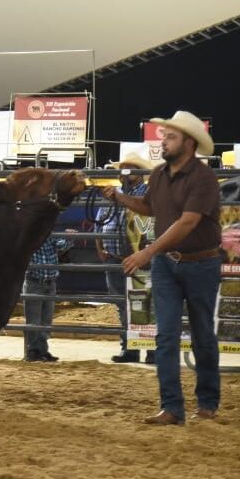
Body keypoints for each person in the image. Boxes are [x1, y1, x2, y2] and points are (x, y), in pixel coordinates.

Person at [104, 110, 222, 426]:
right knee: (166, 336)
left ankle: (207, 400)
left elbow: (188, 222)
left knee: (202, 335)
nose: (163, 141)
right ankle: (172, 407)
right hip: (168, 264)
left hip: (199, 263)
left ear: (189, 142)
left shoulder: (204, 178)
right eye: (164, 135)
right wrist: (118, 197)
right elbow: (149, 207)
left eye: (170, 136)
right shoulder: (158, 175)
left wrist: (148, 252)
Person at [97, 155, 155, 364]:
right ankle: (128, 349)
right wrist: (100, 246)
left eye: (130, 169)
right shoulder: (114, 193)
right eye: (123, 169)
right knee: (122, 305)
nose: (125, 173)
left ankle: (150, 350)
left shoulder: (148, 194)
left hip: (140, 258)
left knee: (144, 303)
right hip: (115, 258)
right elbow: (100, 221)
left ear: (139, 172)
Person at [23, 231, 73, 362]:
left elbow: (61, 246)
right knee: (34, 319)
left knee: (46, 319)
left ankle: (42, 349)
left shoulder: (49, 234)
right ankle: (33, 350)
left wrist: (69, 238)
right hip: (34, 281)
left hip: (49, 282)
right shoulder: (29, 234)